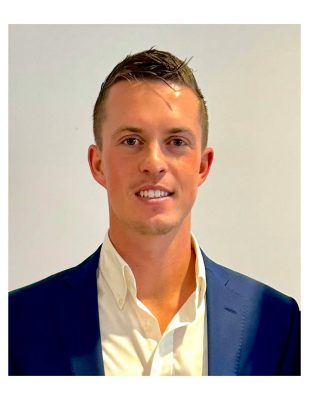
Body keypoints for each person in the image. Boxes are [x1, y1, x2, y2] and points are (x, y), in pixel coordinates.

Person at [9, 48, 300, 376]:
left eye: (176, 142)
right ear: (98, 164)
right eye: (131, 140)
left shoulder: (278, 324)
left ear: (202, 166)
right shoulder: (18, 323)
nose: (154, 163)